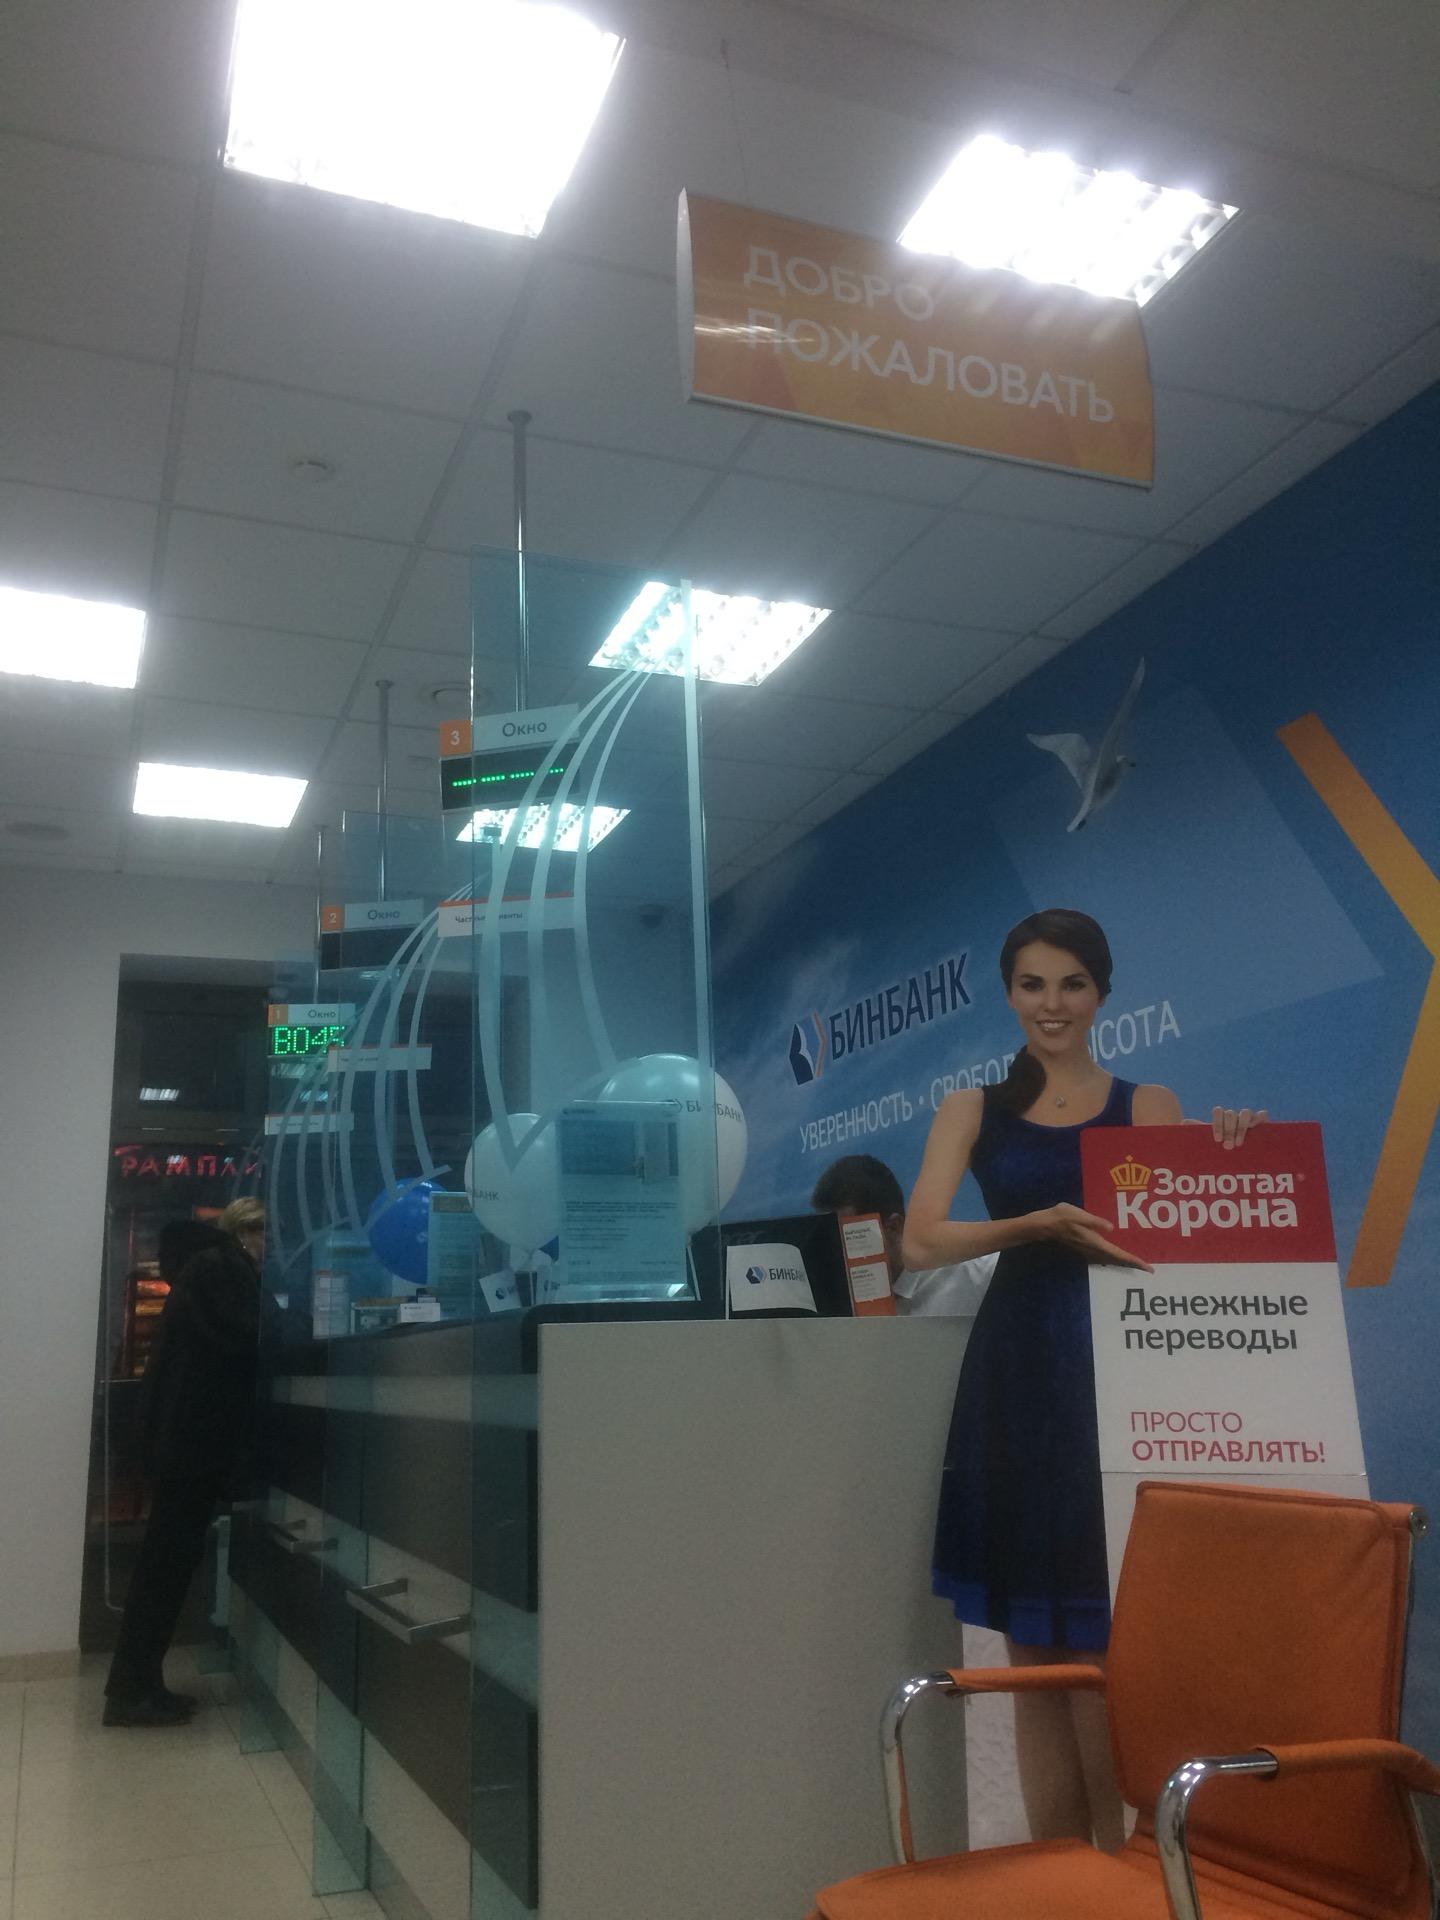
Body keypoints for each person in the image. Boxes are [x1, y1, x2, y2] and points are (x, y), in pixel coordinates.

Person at [901, 909, 1264, 1847]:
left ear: (1101, 994)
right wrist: (1036, 1225)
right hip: (1018, 1375)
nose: (1051, 1003)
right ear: (1009, 993)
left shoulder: (1148, 1104)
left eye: (1072, 984)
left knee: (1106, 1655)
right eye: (1033, 984)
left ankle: (1119, 1868)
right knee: (1034, 1660)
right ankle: (1063, 1875)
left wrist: (1233, 1143)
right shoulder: (971, 1108)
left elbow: (1192, 1232)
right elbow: (921, 1240)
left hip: (1119, 1378)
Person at [103, 1196, 267, 1726]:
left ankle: (138, 1684)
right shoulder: (224, 1267)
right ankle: (131, 1693)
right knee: (164, 1570)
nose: (271, 1247)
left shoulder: (203, 1266)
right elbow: (246, 1336)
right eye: (266, 1235)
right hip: (192, 1443)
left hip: (180, 1441)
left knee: (163, 1567)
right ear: (247, 1233)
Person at [809, 1153, 996, 1315]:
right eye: (830, 1246)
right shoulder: (836, 1306)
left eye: (849, 1241)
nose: (839, 1260)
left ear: (893, 1227)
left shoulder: (979, 1276)